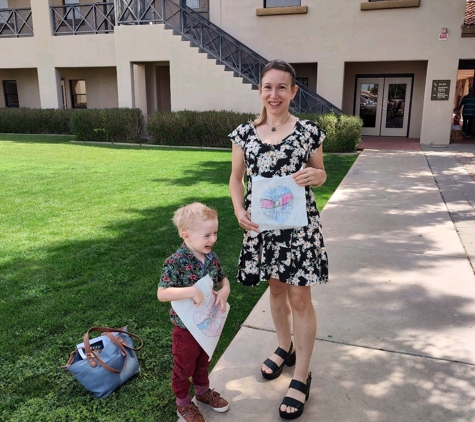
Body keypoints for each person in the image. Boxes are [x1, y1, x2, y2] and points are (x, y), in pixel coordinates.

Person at [229, 59, 328, 420]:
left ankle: (301, 374)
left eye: (282, 87)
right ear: (260, 90)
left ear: (293, 92)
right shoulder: (243, 134)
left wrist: (315, 176)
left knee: (300, 298)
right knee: (274, 290)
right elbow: (236, 180)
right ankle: (283, 347)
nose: (275, 94)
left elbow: (322, 172)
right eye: (268, 87)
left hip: (299, 230)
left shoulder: (308, 132)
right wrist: (239, 211)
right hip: (264, 228)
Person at [157, 202, 231, 422]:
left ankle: (202, 392)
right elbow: (162, 294)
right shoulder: (175, 262)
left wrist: (225, 289)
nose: (213, 239)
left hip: (207, 324)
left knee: (203, 360)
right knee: (184, 365)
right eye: (207, 235)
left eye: (215, 233)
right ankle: (183, 403)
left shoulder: (211, 258)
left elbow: (222, 279)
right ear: (186, 236)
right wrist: (190, 291)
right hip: (185, 329)